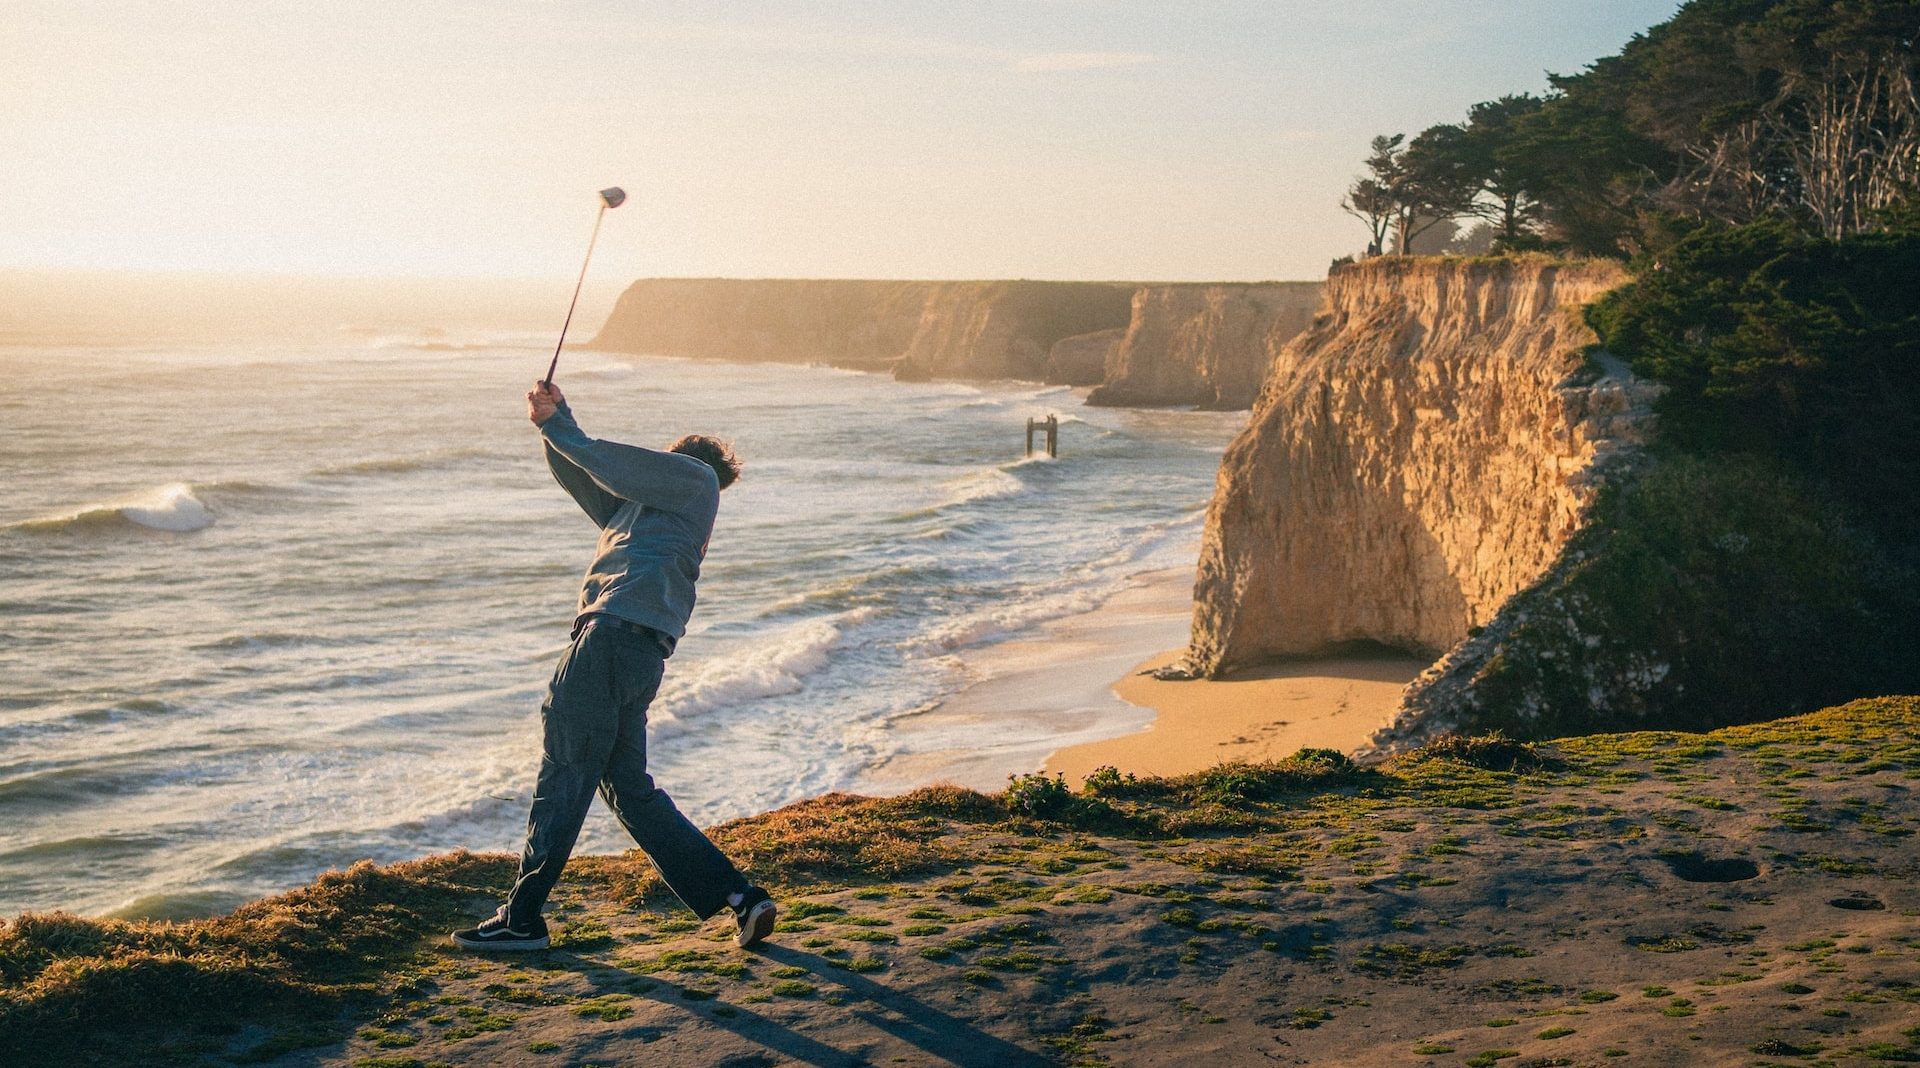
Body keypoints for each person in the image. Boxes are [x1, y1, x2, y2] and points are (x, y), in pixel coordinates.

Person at [451, 381, 776, 951]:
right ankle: (740, 899)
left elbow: (610, 462)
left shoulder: (694, 480)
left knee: (563, 775)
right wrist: (552, 421)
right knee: (629, 791)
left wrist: (561, 424)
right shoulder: (642, 512)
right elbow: (584, 472)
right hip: (636, 652)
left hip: (607, 643)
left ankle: (522, 918)